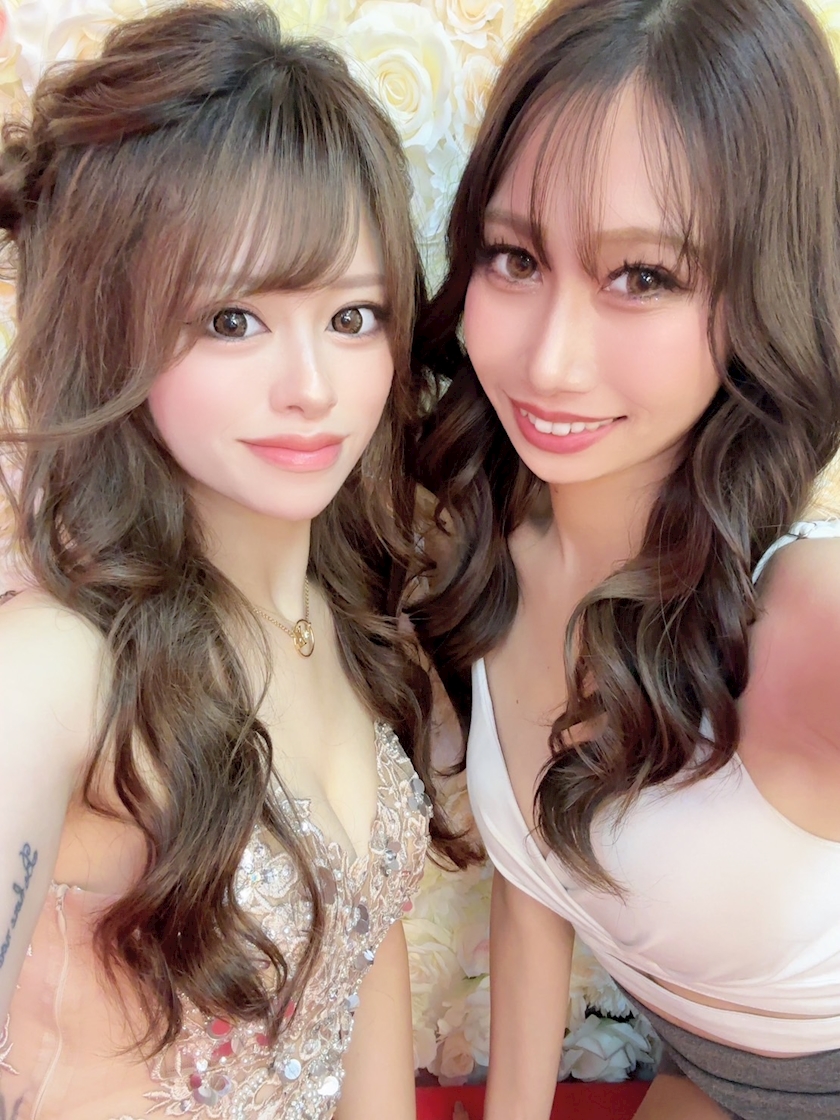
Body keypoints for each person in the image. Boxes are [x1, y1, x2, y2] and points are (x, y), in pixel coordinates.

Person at [0, 4, 465, 1117]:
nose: (311, 387)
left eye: (353, 316)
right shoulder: (59, 664)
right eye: (232, 320)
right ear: (116, 327)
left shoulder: (350, 625)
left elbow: (365, 1005)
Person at [410, 0, 840, 1117]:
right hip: (697, 1067)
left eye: (642, 276)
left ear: (763, 292)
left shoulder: (805, 621)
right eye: (514, 257)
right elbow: (534, 887)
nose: (549, 361)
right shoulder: (495, 540)